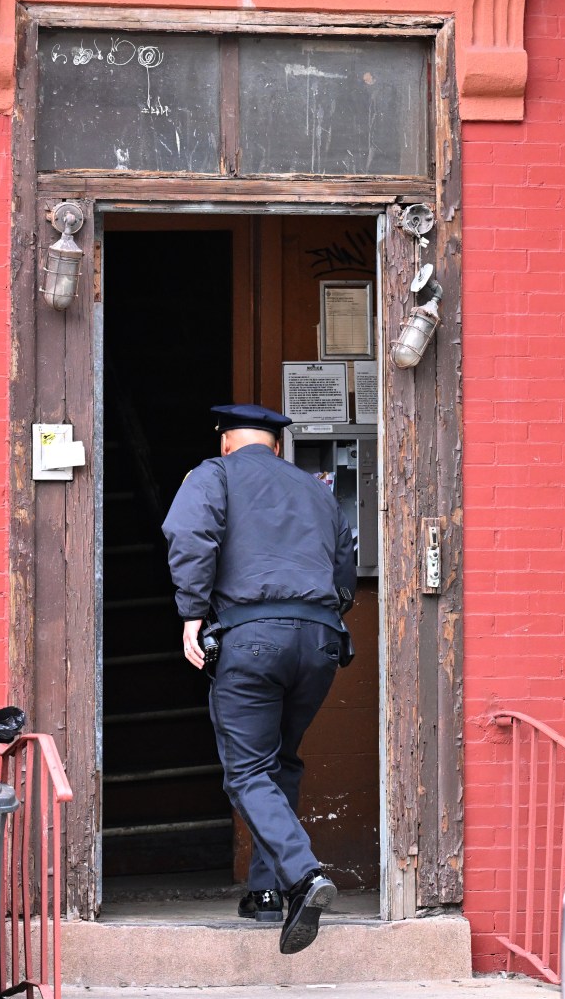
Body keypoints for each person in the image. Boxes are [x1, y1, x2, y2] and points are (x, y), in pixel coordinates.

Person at [161, 403, 357, 955]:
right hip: (319, 642)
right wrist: (325, 611)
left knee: (247, 770)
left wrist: (193, 613)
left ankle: (302, 876)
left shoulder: (213, 475)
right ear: (276, 446)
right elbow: (344, 561)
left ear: (226, 442)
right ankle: (267, 892)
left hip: (251, 640)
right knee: (281, 762)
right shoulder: (316, 490)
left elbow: (190, 535)